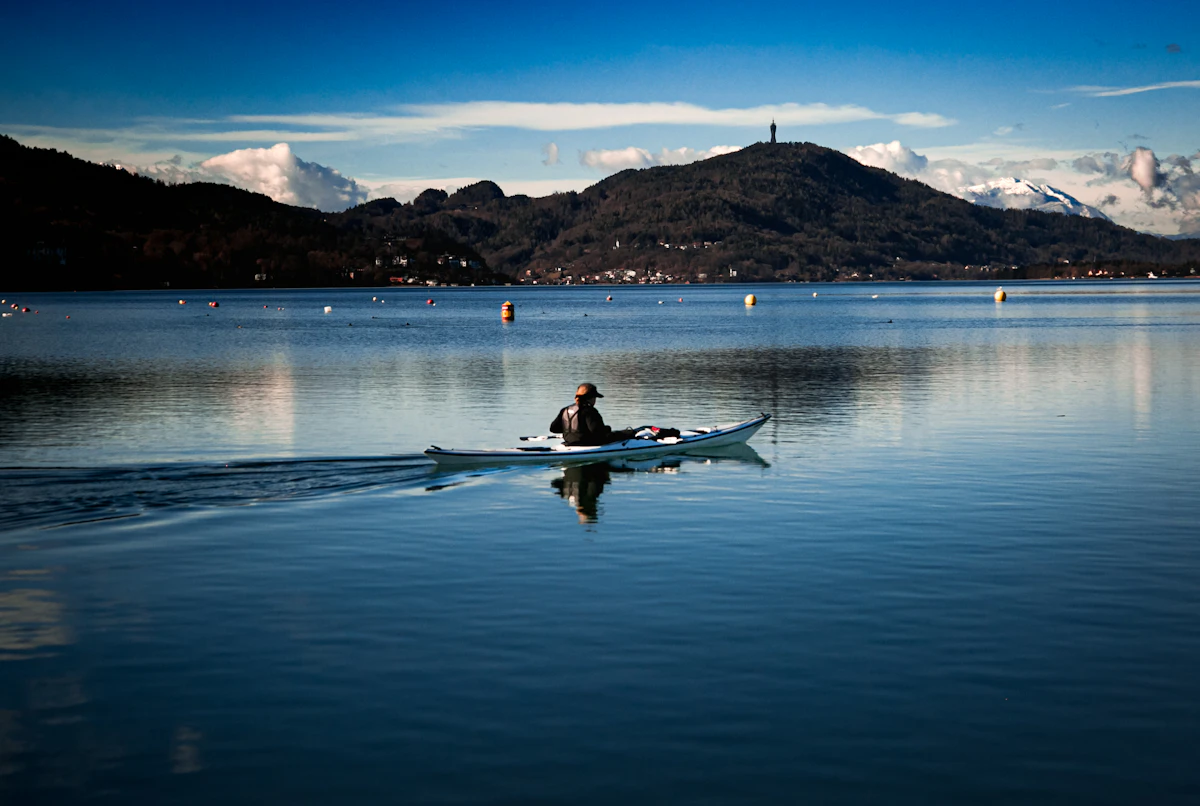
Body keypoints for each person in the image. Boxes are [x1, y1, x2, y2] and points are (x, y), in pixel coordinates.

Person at [550, 383, 642, 446]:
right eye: (595, 397)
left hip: (569, 443)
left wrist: (570, 431)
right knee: (624, 433)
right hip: (588, 444)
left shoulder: (565, 410)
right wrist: (608, 429)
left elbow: (553, 428)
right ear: (590, 398)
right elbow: (598, 432)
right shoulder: (590, 411)